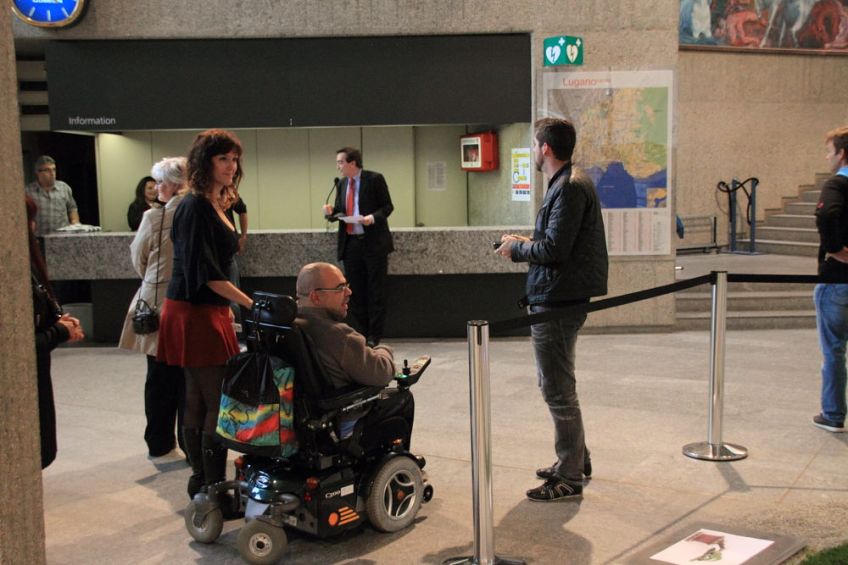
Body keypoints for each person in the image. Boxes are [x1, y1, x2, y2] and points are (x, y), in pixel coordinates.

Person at [496, 118, 608, 501]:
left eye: (534, 144)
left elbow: (556, 250)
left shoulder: (569, 186)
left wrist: (517, 249)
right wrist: (527, 241)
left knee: (557, 389)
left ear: (545, 148)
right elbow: (558, 242)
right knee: (558, 384)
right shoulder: (567, 182)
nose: (533, 150)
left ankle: (569, 477)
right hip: (559, 295)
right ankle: (575, 458)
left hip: (558, 300)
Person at [156, 130, 253, 498]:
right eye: (223, 159)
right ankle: (211, 483)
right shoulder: (195, 205)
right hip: (194, 312)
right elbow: (207, 273)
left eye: (234, 159)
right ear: (205, 162)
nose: (231, 166)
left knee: (199, 397)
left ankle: (203, 481)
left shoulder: (214, 202)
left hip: (203, 310)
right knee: (216, 401)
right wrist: (249, 304)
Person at [295, 262, 413, 451]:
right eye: (340, 288)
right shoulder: (337, 335)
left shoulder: (288, 325)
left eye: (347, 285)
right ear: (316, 297)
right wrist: (384, 349)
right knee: (401, 397)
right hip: (338, 420)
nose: (349, 292)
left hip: (298, 421)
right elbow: (382, 372)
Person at [119, 158, 188, 457]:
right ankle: (190, 442)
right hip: (190, 303)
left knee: (158, 377)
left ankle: (159, 442)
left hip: (158, 302)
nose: (157, 188)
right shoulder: (201, 213)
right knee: (189, 379)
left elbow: (139, 259)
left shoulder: (154, 218)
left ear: (173, 184)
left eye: (160, 182)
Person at [26, 195, 85, 469]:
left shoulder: (27, 263)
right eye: (30, 219)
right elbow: (19, 347)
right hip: (27, 374)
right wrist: (59, 331)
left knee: (43, 449)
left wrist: (60, 323)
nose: (33, 225)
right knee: (38, 449)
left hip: (38, 369)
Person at [322, 147, 394, 347]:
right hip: (351, 243)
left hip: (373, 243)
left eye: (341, 162)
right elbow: (340, 211)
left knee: (376, 290)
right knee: (354, 292)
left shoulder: (374, 179)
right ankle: (361, 333)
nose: (338, 167)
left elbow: (387, 207)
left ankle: (374, 335)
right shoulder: (342, 184)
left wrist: (371, 218)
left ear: (352, 163)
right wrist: (330, 212)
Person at [812, 125, 848, 433]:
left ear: (842, 154)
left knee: (834, 350)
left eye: (830, 152)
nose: (827, 157)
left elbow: (825, 215)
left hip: (838, 280)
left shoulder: (837, 184)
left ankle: (833, 414)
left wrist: (835, 248)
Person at [24, 155, 80, 237]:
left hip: (62, 237)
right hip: (39, 237)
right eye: (47, 170)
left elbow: (72, 208)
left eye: (54, 169)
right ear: (38, 172)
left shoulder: (64, 188)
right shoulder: (28, 191)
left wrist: (75, 223)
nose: (52, 173)